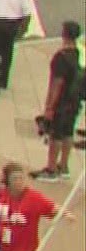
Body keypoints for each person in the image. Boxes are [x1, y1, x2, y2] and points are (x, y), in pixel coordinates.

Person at [0, 162, 62, 251]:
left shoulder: (34, 197)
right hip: (1, 246)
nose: (19, 182)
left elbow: (52, 209)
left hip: (23, 250)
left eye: (21, 178)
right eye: (14, 178)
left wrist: (63, 212)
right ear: (7, 180)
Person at [34, 19, 81, 182]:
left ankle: (51, 168)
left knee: (55, 135)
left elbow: (57, 83)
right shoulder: (77, 53)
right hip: (74, 100)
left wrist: (49, 107)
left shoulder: (60, 58)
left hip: (61, 102)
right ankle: (64, 166)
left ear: (64, 34)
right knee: (68, 132)